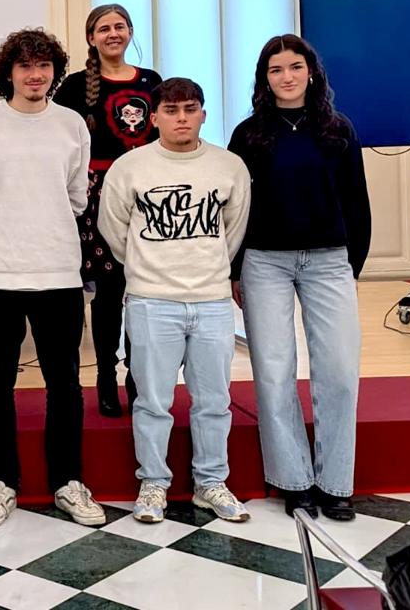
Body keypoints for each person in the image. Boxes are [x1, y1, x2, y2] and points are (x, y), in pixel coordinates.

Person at [0, 29, 105, 528]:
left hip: (58, 269)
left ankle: (68, 482)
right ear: (9, 73)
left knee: (65, 382)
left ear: (54, 72)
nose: (35, 75)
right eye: (25, 66)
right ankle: (1, 483)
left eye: (43, 66)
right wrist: (4, 222)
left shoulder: (71, 125)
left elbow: (77, 195)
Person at [228, 35, 370, 521]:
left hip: (329, 260)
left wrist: (353, 265)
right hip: (265, 261)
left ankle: (335, 482)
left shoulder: (339, 129)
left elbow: (357, 201)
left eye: (294, 67)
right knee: (273, 370)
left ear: (311, 71)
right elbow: (236, 210)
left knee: (338, 372)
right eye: (275, 69)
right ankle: (294, 479)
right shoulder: (248, 135)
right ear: (264, 79)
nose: (286, 77)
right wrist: (235, 270)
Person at [98, 78, 251, 524]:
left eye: (189, 109)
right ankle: (153, 483)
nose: (181, 118)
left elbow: (233, 230)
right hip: (151, 299)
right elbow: (114, 229)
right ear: (154, 118)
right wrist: (149, 268)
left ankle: (211, 482)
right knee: (152, 400)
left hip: (211, 300)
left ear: (203, 113)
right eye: (171, 110)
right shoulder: (130, 168)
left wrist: (206, 269)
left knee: (213, 399)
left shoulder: (229, 167)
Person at [53, 4, 161, 417]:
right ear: (90, 37)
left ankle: (138, 374)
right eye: (103, 28)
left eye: (119, 26)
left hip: (146, 195)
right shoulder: (75, 86)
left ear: (131, 32)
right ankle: (104, 375)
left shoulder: (151, 81)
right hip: (98, 195)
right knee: (109, 291)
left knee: (142, 288)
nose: (112, 33)